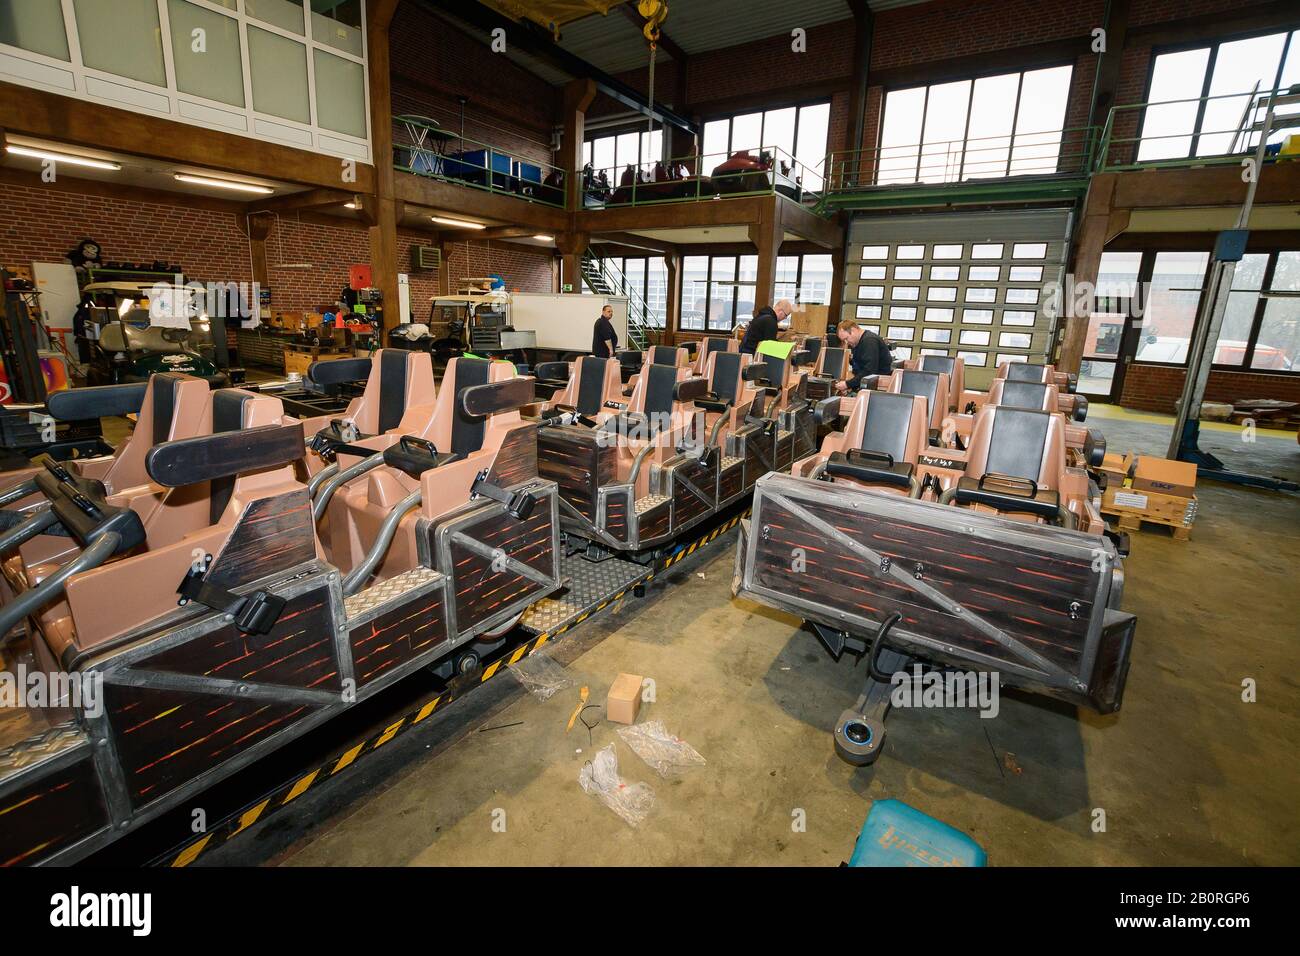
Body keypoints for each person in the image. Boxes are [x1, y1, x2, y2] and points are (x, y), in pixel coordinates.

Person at [834, 319, 893, 394]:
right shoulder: (857, 342)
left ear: (853, 330)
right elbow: (859, 367)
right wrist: (851, 386)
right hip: (868, 384)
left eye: (846, 338)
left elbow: (869, 371)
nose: (846, 342)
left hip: (879, 386)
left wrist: (847, 384)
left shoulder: (869, 341)